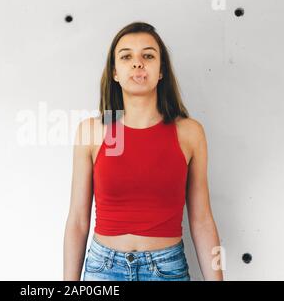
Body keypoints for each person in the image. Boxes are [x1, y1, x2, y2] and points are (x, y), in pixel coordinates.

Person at [63, 22, 224, 281]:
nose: (138, 63)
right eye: (126, 56)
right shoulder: (95, 131)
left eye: (148, 55)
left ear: (161, 71)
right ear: (115, 72)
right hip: (103, 269)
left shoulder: (189, 132)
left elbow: (203, 221)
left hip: (166, 269)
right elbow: (78, 220)